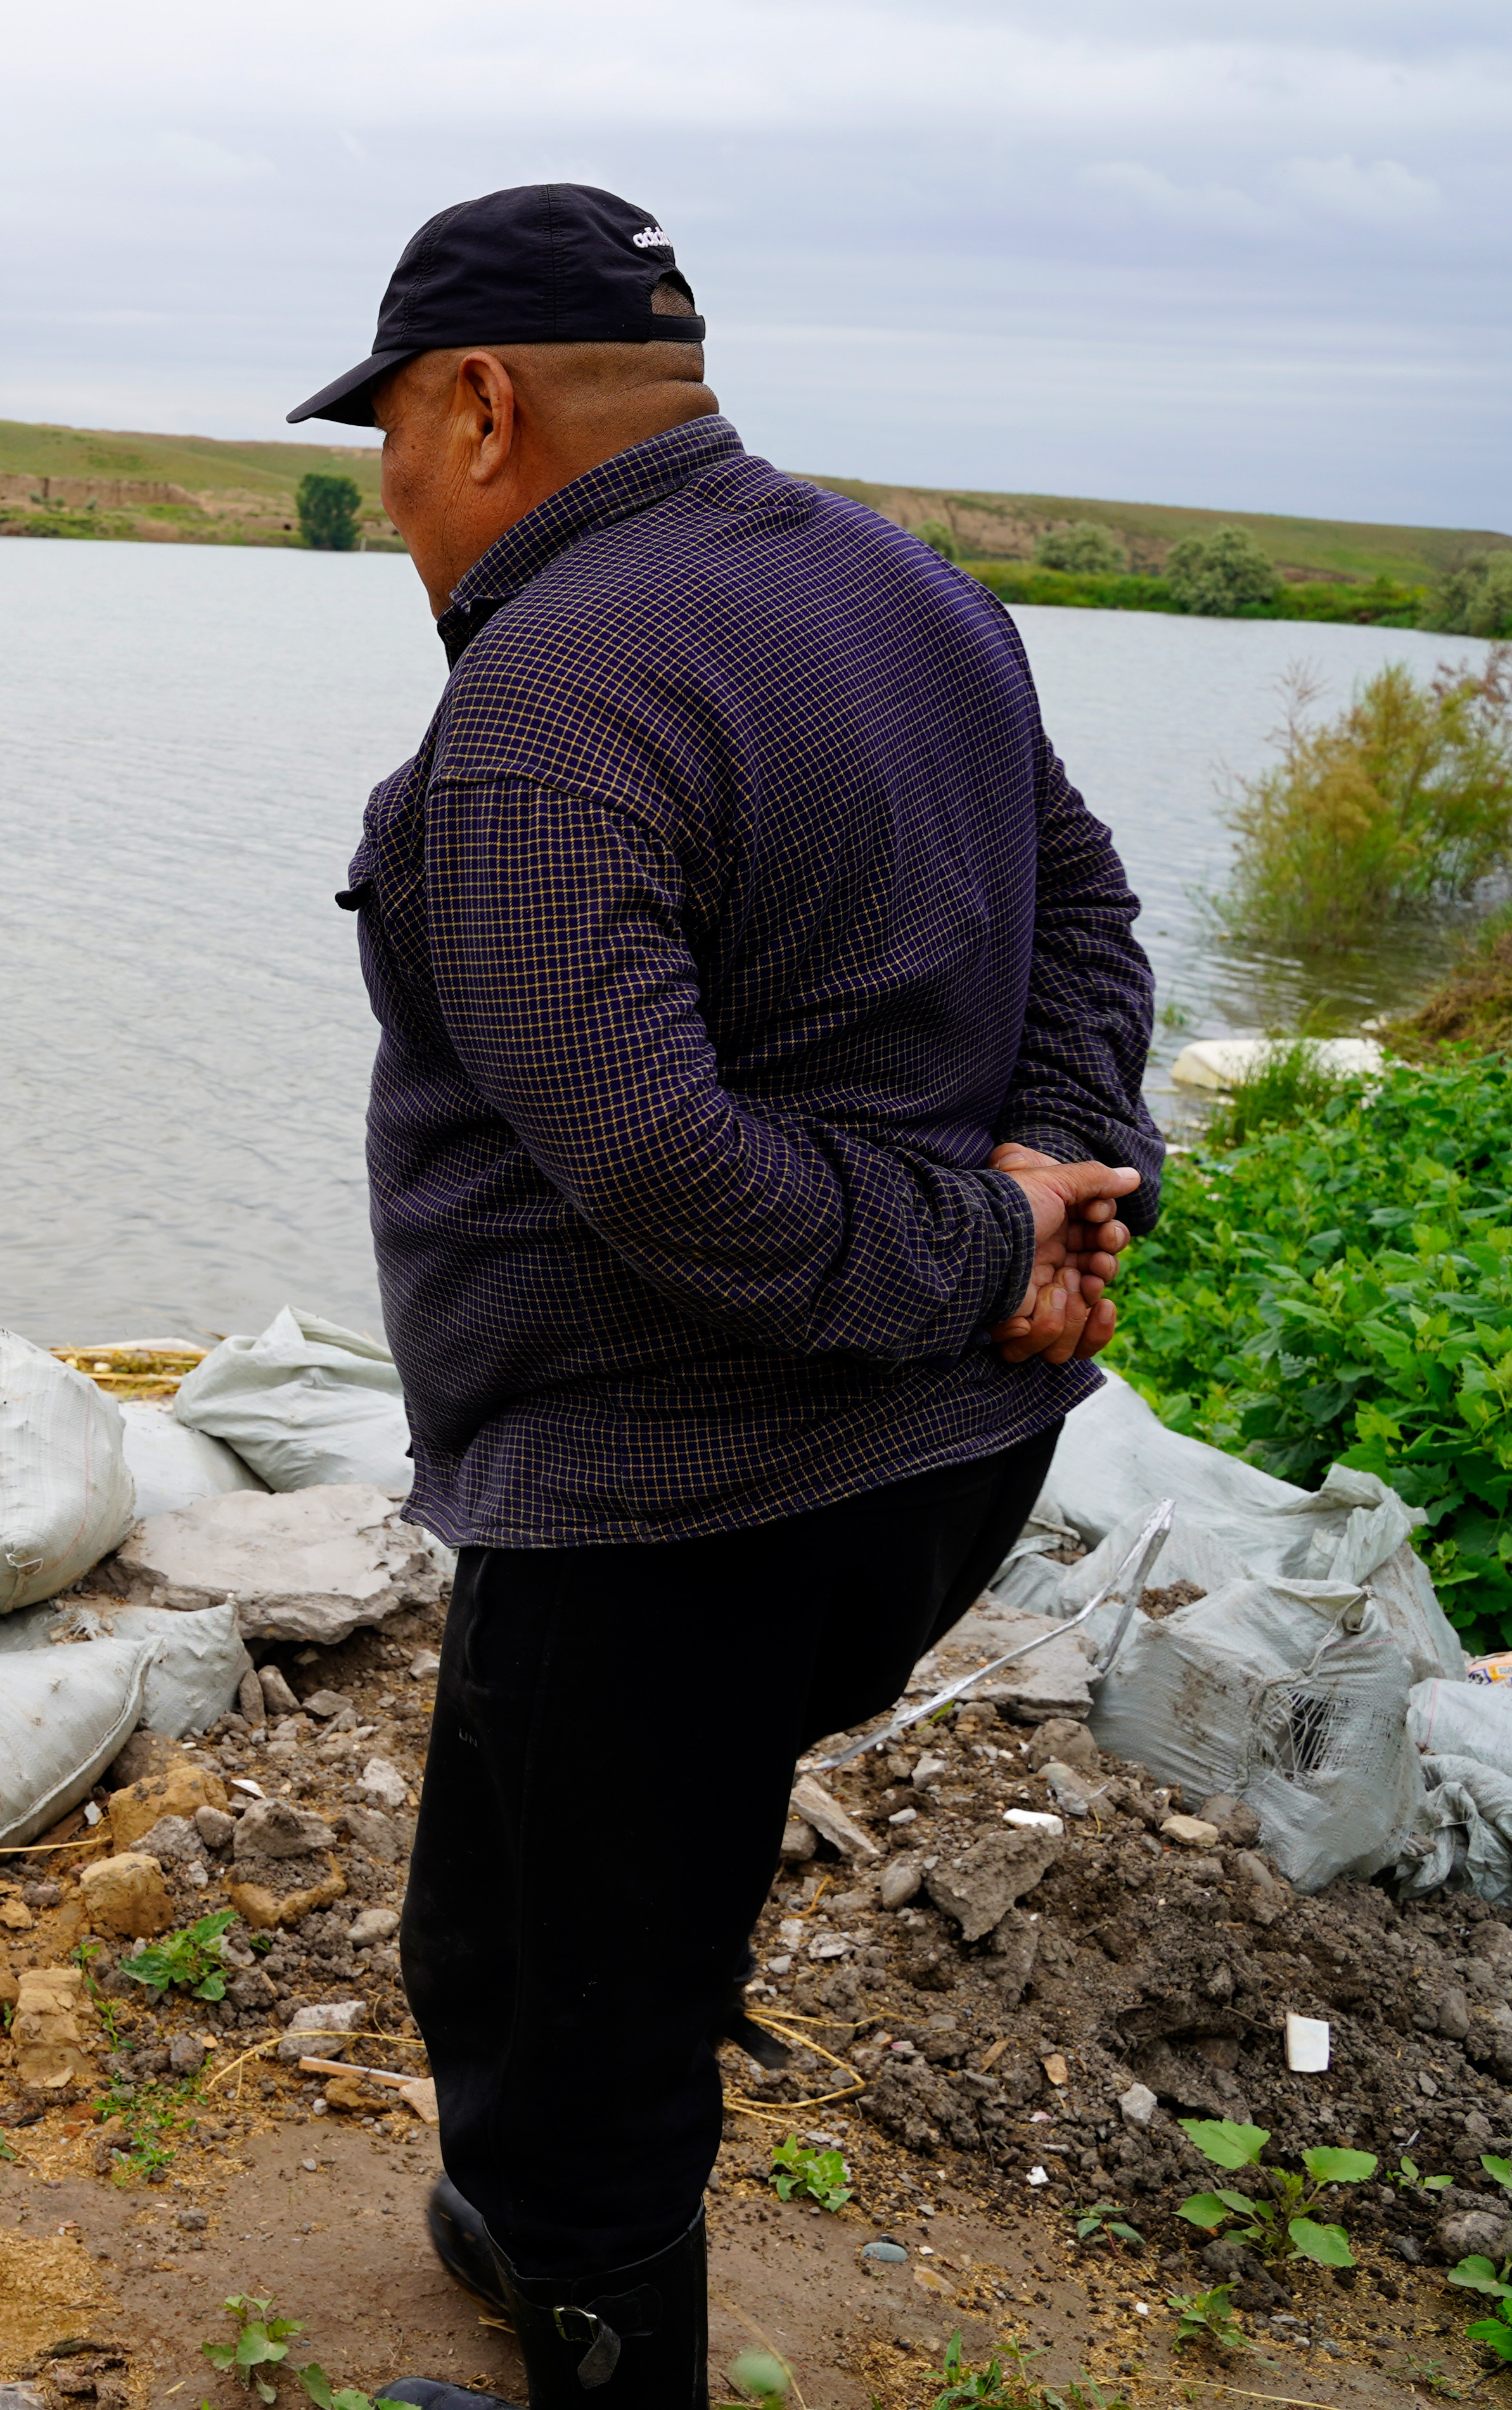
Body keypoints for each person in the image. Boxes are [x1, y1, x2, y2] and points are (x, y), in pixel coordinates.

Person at [287, 186, 1157, 2409]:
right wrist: (1060, 1189)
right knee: (513, 1888)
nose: (384, 497)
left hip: (681, 1492)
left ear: (480, 405)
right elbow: (1087, 899)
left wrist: (1001, 1232)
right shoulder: (906, 587)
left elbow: (669, 1169)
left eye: (384, 435)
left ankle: (599, 2338)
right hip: (939, 1450)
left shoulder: (548, 703)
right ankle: (522, 2208)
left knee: (599, 1981)